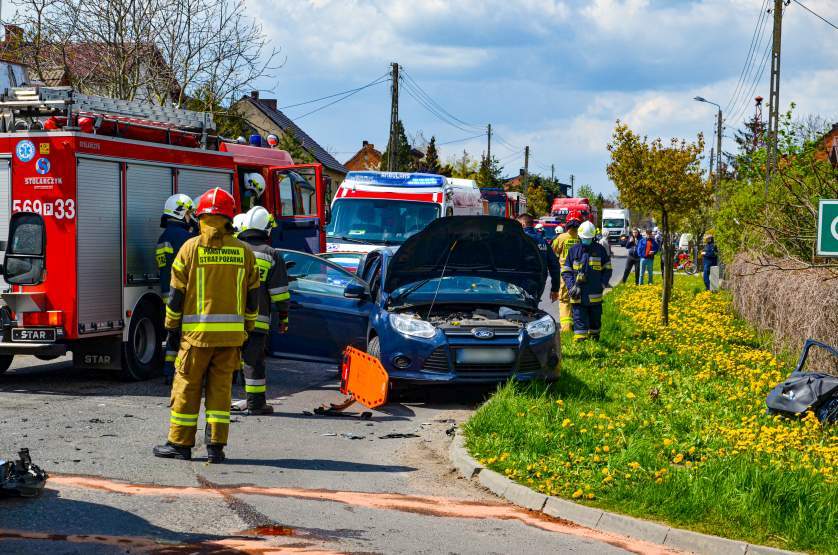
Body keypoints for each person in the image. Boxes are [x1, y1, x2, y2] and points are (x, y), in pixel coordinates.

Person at [153, 188, 260, 464]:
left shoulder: (190, 248)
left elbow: (176, 293)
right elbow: (252, 297)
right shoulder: (244, 252)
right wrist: (246, 328)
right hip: (231, 340)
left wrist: (171, 325)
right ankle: (215, 446)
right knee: (221, 391)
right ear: (229, 217)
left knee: (187, 388)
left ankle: (180, 444)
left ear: (201, 216)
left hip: (196, 338)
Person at [232, 206, 290, 415]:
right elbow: (280, 293)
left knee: (222, 361)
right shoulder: (271, 254)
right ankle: (256, 404)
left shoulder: (232, 249)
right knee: (254, 361)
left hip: (227, 319)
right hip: (257, 320)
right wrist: (284, 317)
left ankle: (218, 401)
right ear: (266, 229)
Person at [157, 194, 195, 383]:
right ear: (181, 212)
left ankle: (168, 372)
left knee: (172, 336)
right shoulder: (185, 238)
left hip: (167, 295)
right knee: (185, 337)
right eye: (189, 213)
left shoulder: (163, 237)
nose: (191, 217)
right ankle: (180, 373)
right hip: (184, 295)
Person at [561, 221, 612, 341]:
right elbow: (566, 271)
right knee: (578, 318)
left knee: (595, 320)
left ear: (593, 237)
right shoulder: (573, 250)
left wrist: (602, 284)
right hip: (577, 293)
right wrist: (571, 286)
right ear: (579, 236)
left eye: (589, 238)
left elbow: (607, 269)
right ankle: (580, 343)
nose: (586, 240)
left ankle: (594, 340)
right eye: (584, 238)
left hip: (595, 294)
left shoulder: (600, 250)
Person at [551, 210, 583, 332]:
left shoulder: (561, 238)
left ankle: (566, 329)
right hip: (580, 274)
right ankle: (579, 326)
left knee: (564, 300)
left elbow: (552, 254)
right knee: (577, 299)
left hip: (565, 275)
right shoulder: (582, 238)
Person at [518, 214, 561, 303]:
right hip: (540, 281)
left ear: (522, 224)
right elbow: (554, 266)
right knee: (533, 307)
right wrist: (555, 289)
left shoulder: (519, 239)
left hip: (521, 281)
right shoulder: (543, 241)